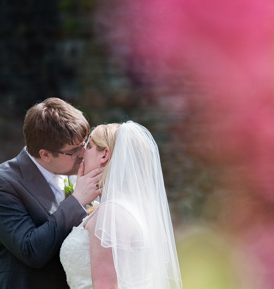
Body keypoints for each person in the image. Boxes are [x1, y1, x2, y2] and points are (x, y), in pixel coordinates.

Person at [0, 98, 103, 289]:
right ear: (45, 154)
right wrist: (77, 201)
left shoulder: (77, 172)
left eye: (84, 144)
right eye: (74, 150)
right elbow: (31, 250)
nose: (83, 153)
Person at [60, 121, 182, 289]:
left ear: (104, 155)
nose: (82, 154)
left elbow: (106, 285)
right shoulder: (130, 208)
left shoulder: (110, 213)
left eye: (89, 147)